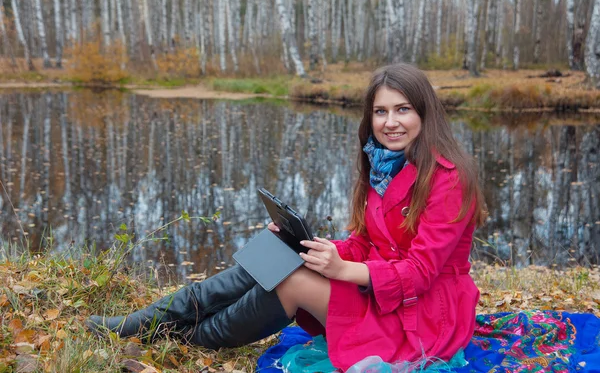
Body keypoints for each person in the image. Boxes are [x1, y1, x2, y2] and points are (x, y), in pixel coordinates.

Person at [87, 63, 486, 372]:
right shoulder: (381, 167)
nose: (390, 122)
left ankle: (190, 339)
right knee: (277, 252)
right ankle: (144, 322)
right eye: (380, 111)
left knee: (293, 280)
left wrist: (342, 270)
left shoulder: (448, 179)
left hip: (427, 312)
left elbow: (420, 271)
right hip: (383, 291)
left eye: (403, 110)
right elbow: (367, 242)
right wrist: (322, 248)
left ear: (424, 113)